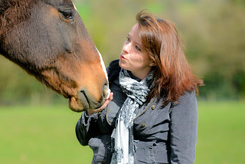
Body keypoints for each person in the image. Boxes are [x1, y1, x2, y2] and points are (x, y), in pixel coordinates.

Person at [75, 11, 203, 164]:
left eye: (137, 48)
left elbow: (183, 159)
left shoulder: (179, 92)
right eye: (128, 39)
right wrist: (90, 112)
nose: (126, 48)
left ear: (154, 59)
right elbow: (82, 138)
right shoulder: (110, 77)